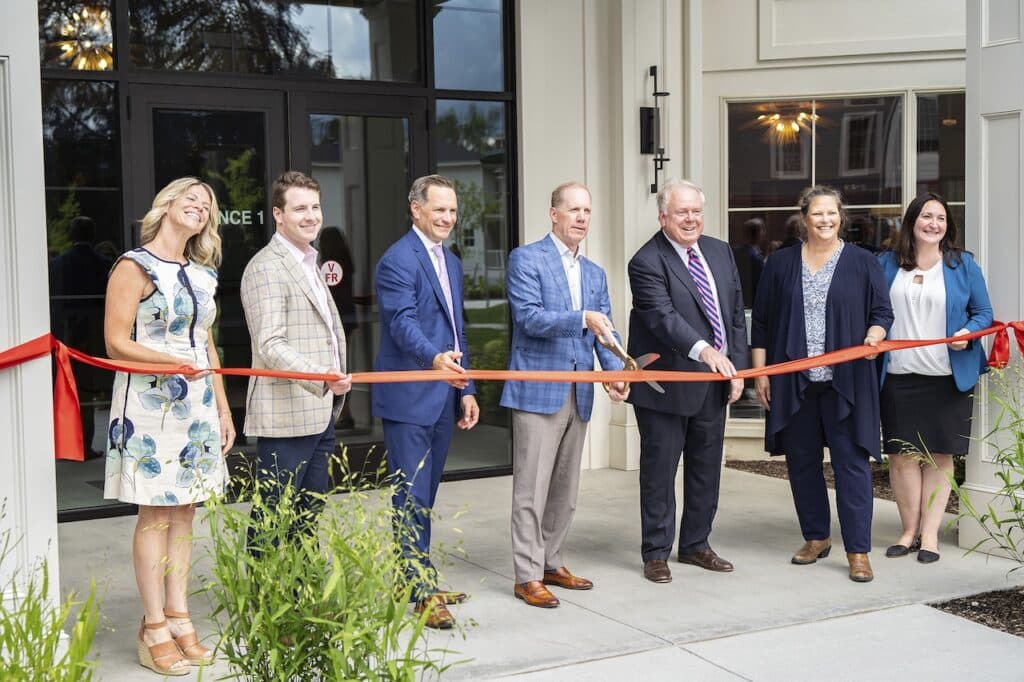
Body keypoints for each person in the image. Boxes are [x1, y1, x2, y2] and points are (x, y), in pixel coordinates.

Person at [103, 177, 234, 676]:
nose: (199, 208)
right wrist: (167, 362)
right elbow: (115, 342)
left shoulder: (203, 275)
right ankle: (153, 624)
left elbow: (207, 346)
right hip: (149, 403)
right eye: (191, 200)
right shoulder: (134, 265)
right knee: (155, 514)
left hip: (196, 404)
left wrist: (222, 409)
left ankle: (180, 617)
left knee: (185, 514)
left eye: (206, 205)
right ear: (166, 207)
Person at [750, 185, 893, 583]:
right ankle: (816, 537)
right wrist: (762, 372)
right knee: (802, 464)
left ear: (841, 217)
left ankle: (858, 551)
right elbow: (760, 320)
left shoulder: (863, 262)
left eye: (831, 213)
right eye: (817, 214)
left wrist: (876, 334)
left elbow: (881, 311)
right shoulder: (779, 263)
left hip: (846, 382)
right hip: (794, 381)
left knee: (852, 466)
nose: (825, 220)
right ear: (804, 218)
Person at [500, 182, 628, 608]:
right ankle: (526, 574)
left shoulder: (594, 273)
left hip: (581, 391)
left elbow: (604, 330)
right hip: (538, 390)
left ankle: (552, 562)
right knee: (530, 490)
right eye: (573, 209)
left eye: (587, 211)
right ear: (553, 214)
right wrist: (582, 318)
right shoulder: (526, 259)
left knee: (564, 491)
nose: (581, 218)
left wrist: (614, 372)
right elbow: (530, 318)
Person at [627, 179, 749, 584]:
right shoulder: (646, 261)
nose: (691, 219)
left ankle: (697, 544)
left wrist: (737, 366)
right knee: (660, 472)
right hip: (666, 386)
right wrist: (707, 352)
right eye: (682, 212)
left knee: (706, 468)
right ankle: (656, 552)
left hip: (714, 382)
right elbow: (663, 319)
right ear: (664, 216)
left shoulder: (719, 250)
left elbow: (733, 312)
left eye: (696, 211)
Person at [373, 174, 480, 629]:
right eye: (440, 210)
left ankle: (417, 580)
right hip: (410, 396)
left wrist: (467, 387)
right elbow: (402, 322)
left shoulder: (451, 262)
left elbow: (457, 328)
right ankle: (418, 590)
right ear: (416, 208)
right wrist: (433, 358)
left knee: (426, 496)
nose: (448, 218)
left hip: (444, 395)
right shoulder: (397, 260)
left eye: (453, 211)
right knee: (411, 498)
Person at [877, 193, 993, 564]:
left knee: (939, 456)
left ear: (947, 226)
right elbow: (874, 312)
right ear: (912, 221)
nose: (933, 224)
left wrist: (965, 332)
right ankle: (909, 530)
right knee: (901, 457)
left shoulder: (962, 265)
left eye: (940, 218)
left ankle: (930, 535)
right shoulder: (886, 263)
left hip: (946, 378)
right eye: (926, 216)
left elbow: (983, 313)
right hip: (897, 375)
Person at [240, 171, 352, 543]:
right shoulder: (267, 267)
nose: (311, 216)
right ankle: (264, 601)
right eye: (299, 208)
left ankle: (300, 596)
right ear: (278, 214)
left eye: (316, 207)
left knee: (307, 519)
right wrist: (321, 375)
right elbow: (270, 344)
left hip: (319, 412)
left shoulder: (308, 262)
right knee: (273, 519)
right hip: (286, 413)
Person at [318, 226, 359, 429]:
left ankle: (342, 414)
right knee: (341, 366)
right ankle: (343, 413)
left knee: (338, 369)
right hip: (347, 318)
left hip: (336, 321)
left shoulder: (330, 265)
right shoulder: (347, 262)